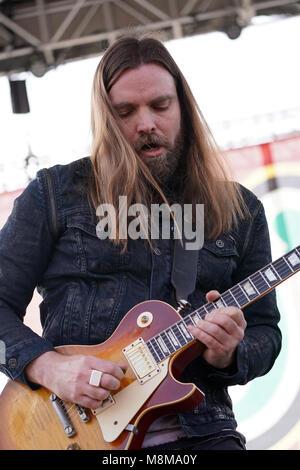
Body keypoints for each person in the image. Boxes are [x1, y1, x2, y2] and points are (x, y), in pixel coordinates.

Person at [0, 35, 281, 451]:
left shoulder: (239, 210)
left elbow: (264, 333)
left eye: (160, 106)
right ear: (106, 118)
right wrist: (50, 368)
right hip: (72, 434)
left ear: (183, 108)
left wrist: (229, 354)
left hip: (202, 432)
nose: (146, 123)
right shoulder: (55, 194)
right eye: (126, 112)